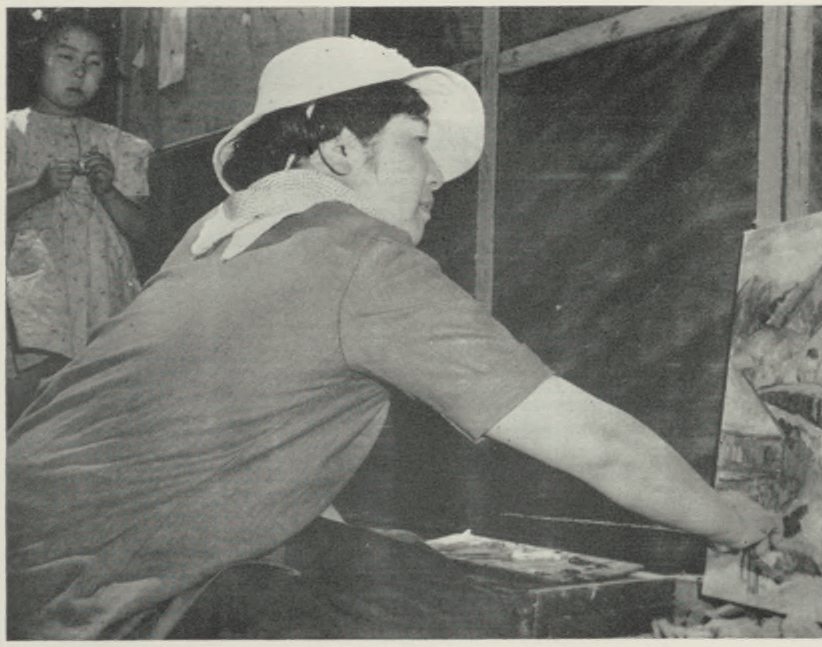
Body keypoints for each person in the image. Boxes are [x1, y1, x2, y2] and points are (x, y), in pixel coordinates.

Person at [7, 36, 779, 640]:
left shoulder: (214, 238)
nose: (437, 179)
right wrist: (731, 517)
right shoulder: (359, 256)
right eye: (416, 144)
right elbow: (596, 442)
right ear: (343, 149)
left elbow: (223, 453)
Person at [6, 10, 153, 426]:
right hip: (30, 309)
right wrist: (37, 190)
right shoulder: (11, 133)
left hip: (104, 302)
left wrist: (108, 190)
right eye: (66, 58)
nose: (79, 72)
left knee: (94, 423)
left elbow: (143, 232)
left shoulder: (119, 145)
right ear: (38, 61)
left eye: (93, 63)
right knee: (25, 423)